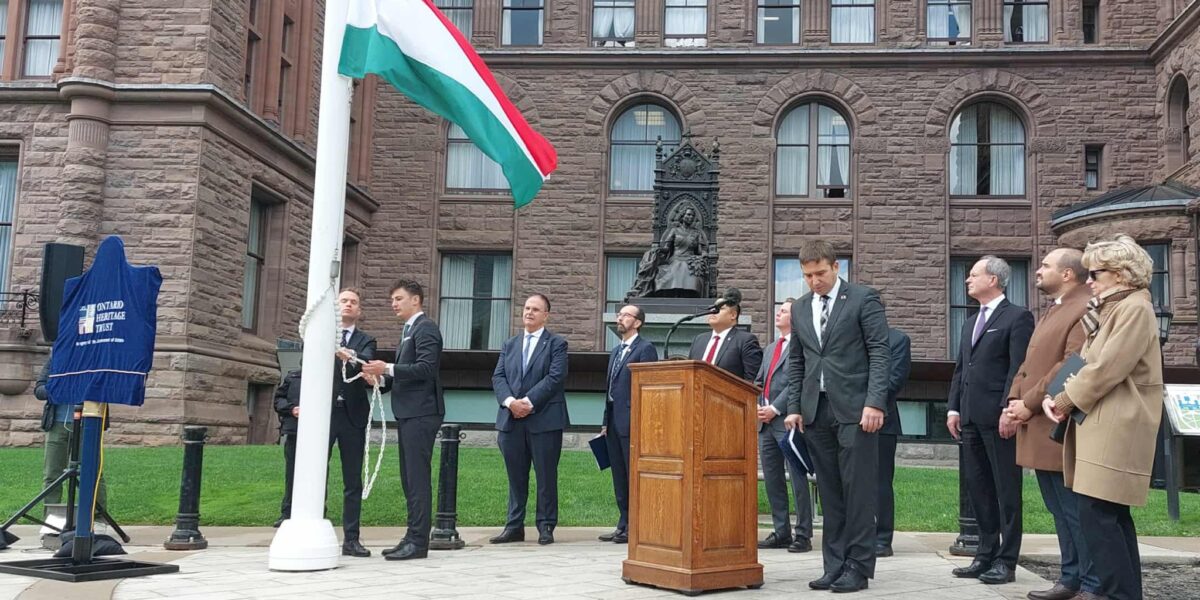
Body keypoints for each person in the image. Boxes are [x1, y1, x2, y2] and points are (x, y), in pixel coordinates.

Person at [1044, 235, 1163, 600]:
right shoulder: (1114, 308)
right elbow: (1088, 362)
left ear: (1122, 274)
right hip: (1100, 421)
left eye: (1096, 272)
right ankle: (1122, 593)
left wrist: (1063, 400)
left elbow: (1107, 368)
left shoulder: (1133, 308)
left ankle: (1116, 593)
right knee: (1105, 515)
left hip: (1116, 422)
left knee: (1099, 515)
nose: (1089, 279)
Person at [784, 239, 891, 594]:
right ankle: (834, 565)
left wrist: (875, 402)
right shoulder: (800, 308)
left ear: (836, 267)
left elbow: (879, 352)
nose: (814, 281)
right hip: (816, 411)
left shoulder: (863, 298)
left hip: (857, 409)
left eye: (820, 273)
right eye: (807, 275)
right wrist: (795, 407)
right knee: (829, 492)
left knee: (857, 490)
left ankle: (858, 567)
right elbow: (797, 361)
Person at [1004, 248, 1099, 600]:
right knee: (1058, 509)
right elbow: (1029, 363)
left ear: (1069, 274)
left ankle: (1090, 583)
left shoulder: (1083, 308)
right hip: (1035, 418)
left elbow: (1068, 364)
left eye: (1045, 266)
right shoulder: (1055, 308)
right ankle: (1070, 578)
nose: (1038, 271)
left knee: (1074, 510)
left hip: (1057, 421)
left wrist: (1028, 404)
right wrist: (1014, 400)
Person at [947, 256, 1034, 585]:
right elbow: (961, 368)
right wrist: (953, 408)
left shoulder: (1018, 317)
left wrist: (1009, 408)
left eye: (973, 275)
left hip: (999, 418)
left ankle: (1006, 561)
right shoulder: (971, 322)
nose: (967, 280)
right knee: (978, 489)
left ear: (994, 280)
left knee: (1005, 490)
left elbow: (1018, 368)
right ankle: (984, 554)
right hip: (969, 417)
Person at [363, 280, 444, 561]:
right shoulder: (409, 330)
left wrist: (386, 367)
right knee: (409, 478)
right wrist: (379, 378)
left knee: (417, 478)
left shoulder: (426, 329)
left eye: (399, 298)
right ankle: (411, 536)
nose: (394, 304)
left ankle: (418, 542)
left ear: (416, 300)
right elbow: (405, 376)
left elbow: (424, 368)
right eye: (392, 300)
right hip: (409, 411)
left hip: (422, 412)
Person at [490, 294, 569, 546]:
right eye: (526, 308)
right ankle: (514, 526)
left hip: (544, 420)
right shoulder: (510, 344)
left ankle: (545, 525)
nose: (529, 313)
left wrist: (528, 402)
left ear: (546, 315)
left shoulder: (557, 344)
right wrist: (510, 402)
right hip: (511, 421)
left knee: (546, 476)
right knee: (515, 476)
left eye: (535, 309)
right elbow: (498, 377)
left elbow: (555, 378)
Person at [754, 300, 812, 554]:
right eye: (778, 310)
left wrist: (775, 408)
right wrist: (759, 407)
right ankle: (781, 531)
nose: (778, 313)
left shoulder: (802, 346)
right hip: (765, 424)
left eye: (785, 311)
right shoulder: (769, 349)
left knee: (797, 478)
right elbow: (759, 381)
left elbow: (797, 382)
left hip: (788, 420)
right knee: (773, 479)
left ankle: (803, 534)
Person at [599, 304, 658, 544]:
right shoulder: (615, 351)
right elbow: (610, 390)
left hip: (633, 422)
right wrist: (605, 422)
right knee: (619, 476)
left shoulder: (646, 349)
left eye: (625, 315)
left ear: (638, 322)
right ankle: (622, 523)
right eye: (619, 314)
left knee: (633, 474)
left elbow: (649, 388)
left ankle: (636, 525)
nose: (620, 318)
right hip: (613, 422)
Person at [36, 352, 108, 519]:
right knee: (52, 473)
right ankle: (51, 520)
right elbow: (39, 390)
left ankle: (97, 517)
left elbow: (105, 387)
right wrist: (57, 387)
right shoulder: (56, 358)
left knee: (91, 471)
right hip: (57, 424)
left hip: (87, 424)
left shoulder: (96, 357)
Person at [875, 327, 911, 558]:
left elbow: (894, 379)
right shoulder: (850, 336)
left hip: (882, 420)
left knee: (879, 482)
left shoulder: (897, 340)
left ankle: (881, 539)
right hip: (845, 418)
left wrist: (865, 402)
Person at [687, 295, 762, 382]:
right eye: (713, 308)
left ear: (733, 315)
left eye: (720, 308)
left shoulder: (745, 340)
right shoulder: (699, 340)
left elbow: (752, 381)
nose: (713, 311)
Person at [652, 206, 709, 297]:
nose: (691, 217)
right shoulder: (674, 231)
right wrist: (659, 250)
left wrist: (704, 254)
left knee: (687, 268)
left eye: (693, 216)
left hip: (690, 260)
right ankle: (674, 294)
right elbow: (667, 248)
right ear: (682, 216)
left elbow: (701, 250)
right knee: (677, 267)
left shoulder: (697, 233)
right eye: (688, 214)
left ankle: (687, 294)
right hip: (675, 259)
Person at [273, 367, 301, 526]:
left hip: (319, 433)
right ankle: (287, 512)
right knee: (292, 473)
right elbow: (278, 400)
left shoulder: (329, 378)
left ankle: (319, 509)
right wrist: (292, 409)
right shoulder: (294, 377)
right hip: (294, 431)